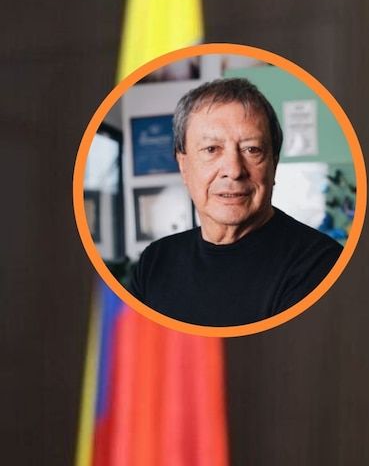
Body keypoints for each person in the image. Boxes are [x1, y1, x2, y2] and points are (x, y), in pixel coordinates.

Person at [128, 78, 342, 326]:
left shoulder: (320, 265)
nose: (234, 170)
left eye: (252, 150)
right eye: (211, 149)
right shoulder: (155, 261)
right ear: (183, 166)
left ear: (273, 164)